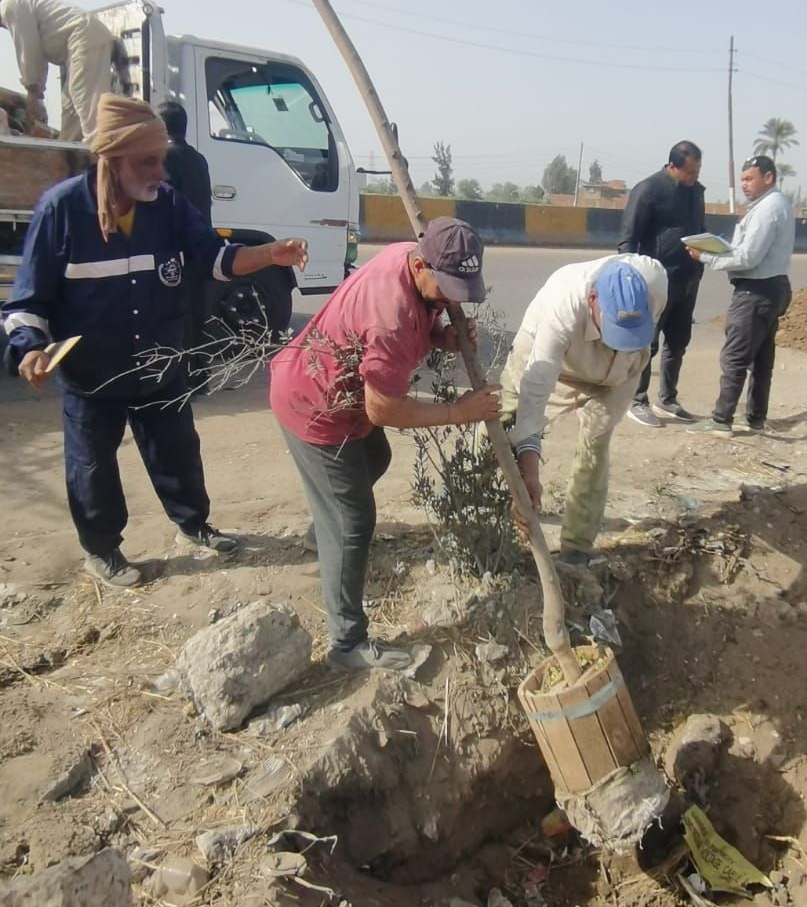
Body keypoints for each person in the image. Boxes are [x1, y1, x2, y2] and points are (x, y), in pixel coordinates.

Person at [2, 94, 309, 588]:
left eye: (160, 159)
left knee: (178, 451)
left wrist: (271, 253)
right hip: (93, 374)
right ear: (114, 159)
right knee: (92, 467)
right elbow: (24, 304)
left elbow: (215, 259)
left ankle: (194, 523)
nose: (160, 172)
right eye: (148, 161)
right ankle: (102, 550)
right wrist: (31, 349)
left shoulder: (165, 205)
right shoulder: (61, 211)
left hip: (158, 363)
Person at [269, 217, 501, 673]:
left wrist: (444, 336)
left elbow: (421, 321)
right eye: (448, 285)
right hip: (314, 406)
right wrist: (458, 412)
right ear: (419, 265)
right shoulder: (390, 314)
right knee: (355, 521)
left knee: (375, 457)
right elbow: (385, 411)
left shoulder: (407, 262)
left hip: (338, 397)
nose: (454, 297)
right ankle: (346, 643)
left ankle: (324, 530)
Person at [500, 253, 668, 566]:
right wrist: (530, 473)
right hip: (549, 352)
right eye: (614, 327)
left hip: (618, 371)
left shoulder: (655, 281)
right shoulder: (561, 310)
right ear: (592, 299)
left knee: (595, 443)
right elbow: (533, 401)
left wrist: (623, 345)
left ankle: (576, 547)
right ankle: (474, 500)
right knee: (504, 420)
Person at [686, 155, 795, 436]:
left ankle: (722, 420)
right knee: (761, 359)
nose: (745, 185)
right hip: (772, 288)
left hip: (756, 291)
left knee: (735, 357)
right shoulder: (772, 205)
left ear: (768, 178)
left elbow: (748, 257)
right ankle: (756, 418)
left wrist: (707, 257)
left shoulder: (767, 210)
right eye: (743, 180)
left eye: (750, 179)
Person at [618, 140, 706, 427]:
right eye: (690, 173)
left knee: (678, 341)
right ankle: (637, 399)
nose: (694, 178)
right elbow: (628, 240)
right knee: (647, 342)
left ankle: (667, 398)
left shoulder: (697, 193)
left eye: (697, 172)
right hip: (655, 280)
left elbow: (699, 229)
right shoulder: (649, 190)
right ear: (673, 166)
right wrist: (631, 281)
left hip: (688, 278)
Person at [0, 0, 115, 143]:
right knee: (71, 112)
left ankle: (101, 157)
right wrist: (37, 94)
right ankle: (69, 158)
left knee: (87, 106)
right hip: (78, 46)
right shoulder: (15, 6)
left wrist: (32, 93)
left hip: (83, 38)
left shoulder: (9, 6)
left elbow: (28, 50)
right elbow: (38, 57)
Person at [159, 101, 213, 390]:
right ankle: (200, 374)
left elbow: (167, 204)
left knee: (180, 314)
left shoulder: (167, 157)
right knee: (197, 311)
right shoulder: (197, 157)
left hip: (178, 246)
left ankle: (185, 378)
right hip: (201, 245)